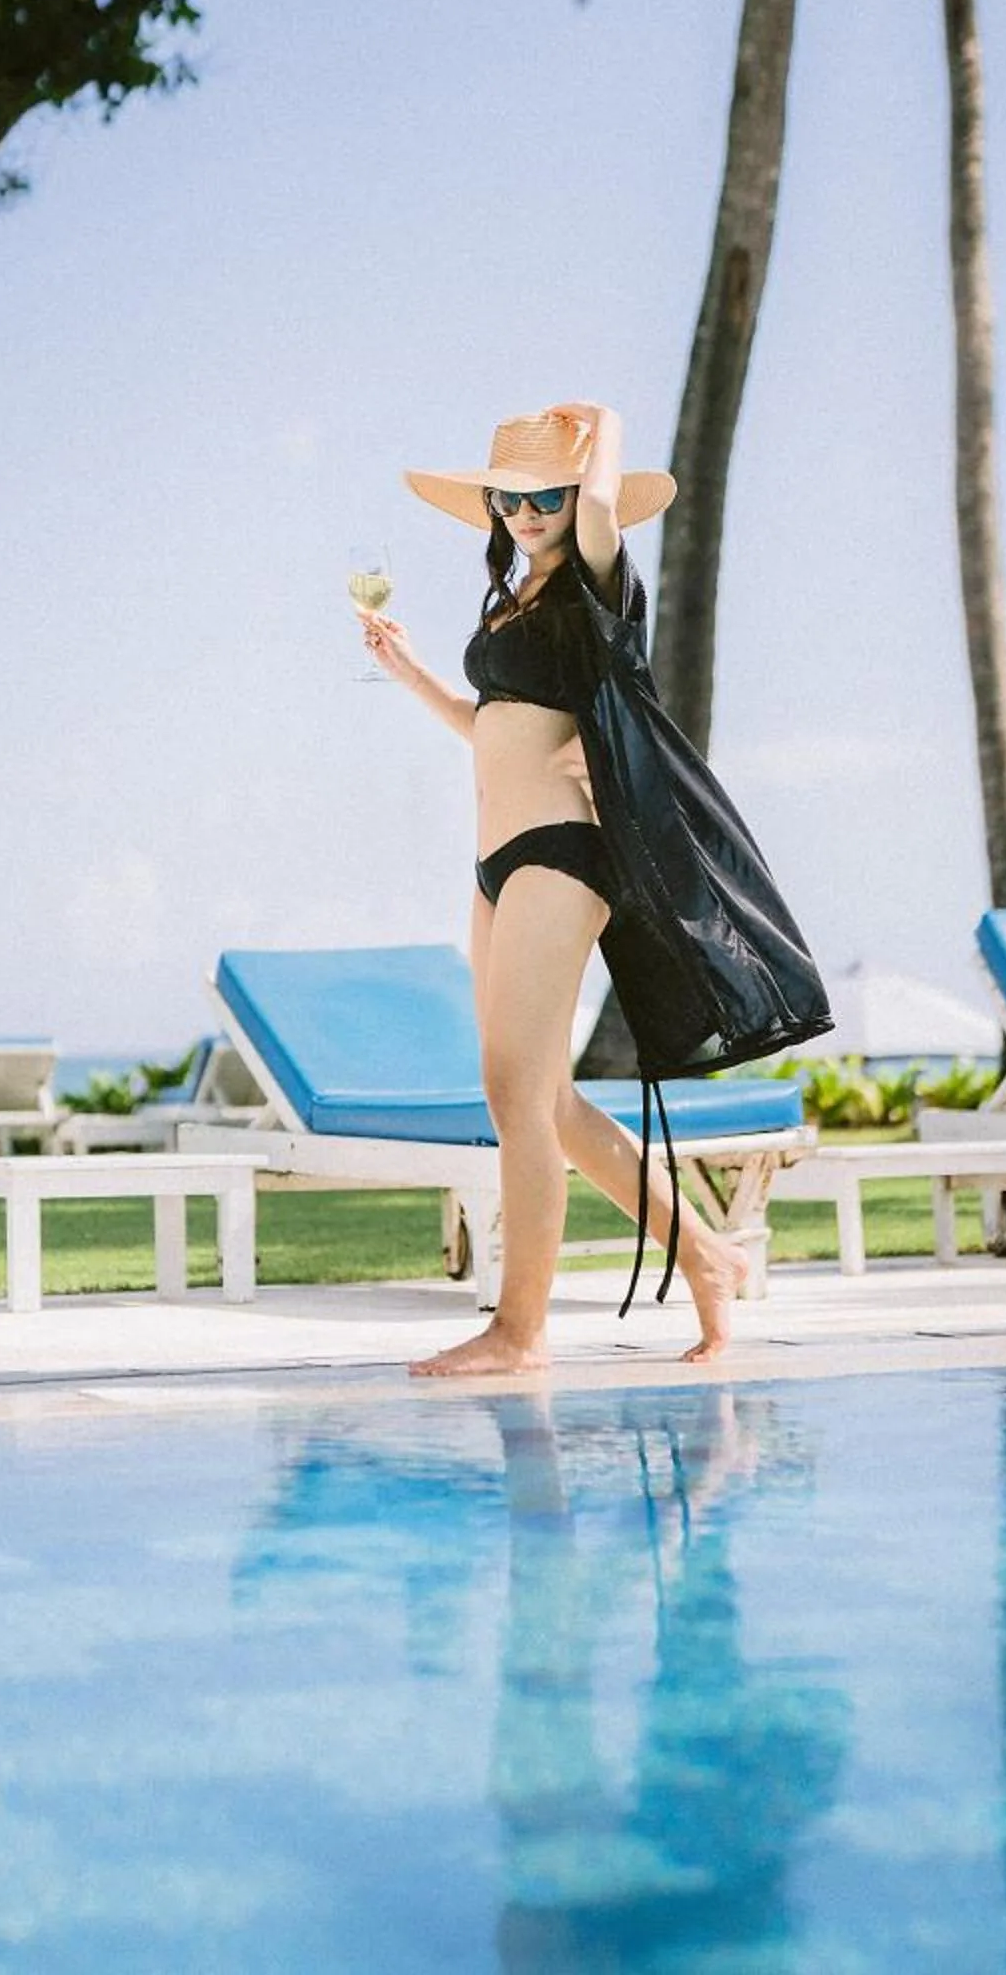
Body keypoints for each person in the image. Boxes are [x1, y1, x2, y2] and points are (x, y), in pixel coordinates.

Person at [360, 402, 829, 1375]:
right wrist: (407, 673)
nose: (526, 513)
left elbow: (606, 507)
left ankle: (519, 1332)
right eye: (510, 497)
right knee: (541, 1098)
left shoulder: (598, 590)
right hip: (496, 862)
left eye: (546, 496)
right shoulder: (513, 601)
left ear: (575, 500)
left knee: (514, 1093)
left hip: (561, 854)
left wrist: (603, 429)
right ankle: (702, 1255)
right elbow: (497, 728)